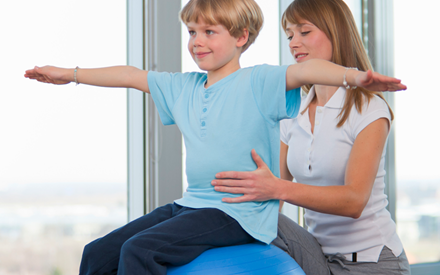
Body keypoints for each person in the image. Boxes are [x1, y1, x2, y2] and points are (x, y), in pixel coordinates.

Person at [24, 0, 406, 274]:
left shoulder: (262, 82)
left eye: (209, 31)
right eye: (191, 32)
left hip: (359, 256)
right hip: (201, 206)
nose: (196, 41)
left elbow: (307, 74)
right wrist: (70, 73)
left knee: (141, 251)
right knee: (97, 254)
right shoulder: (187, 87)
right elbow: (129, 74)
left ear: (241, 37)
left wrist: (355, 77)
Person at [211, 0, 411, 274]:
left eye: (304, 32)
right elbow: (272, 195)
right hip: (318, 256)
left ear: (335, 32)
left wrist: (276, 188)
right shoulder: (293, 112)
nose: (294, 43)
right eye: (290, 35)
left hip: (372, 262)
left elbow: (354, 201)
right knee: (254, 217)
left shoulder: (369, 109)